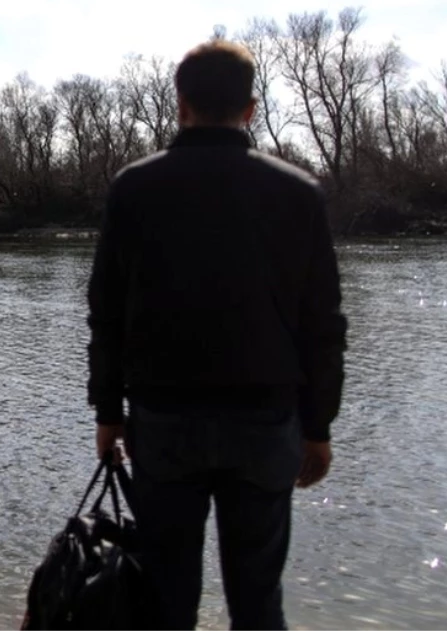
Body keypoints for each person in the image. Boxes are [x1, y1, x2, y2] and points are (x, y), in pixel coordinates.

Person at [86, 39, 347, 631]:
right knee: (258, 600)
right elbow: (323, 325)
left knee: (166, 600)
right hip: (265, 424)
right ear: (251, 109)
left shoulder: (134, 187)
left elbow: (106, 313)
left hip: (164, 423)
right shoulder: (298, 192)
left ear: (180, 105)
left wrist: (108, 412)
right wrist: (319, 425)